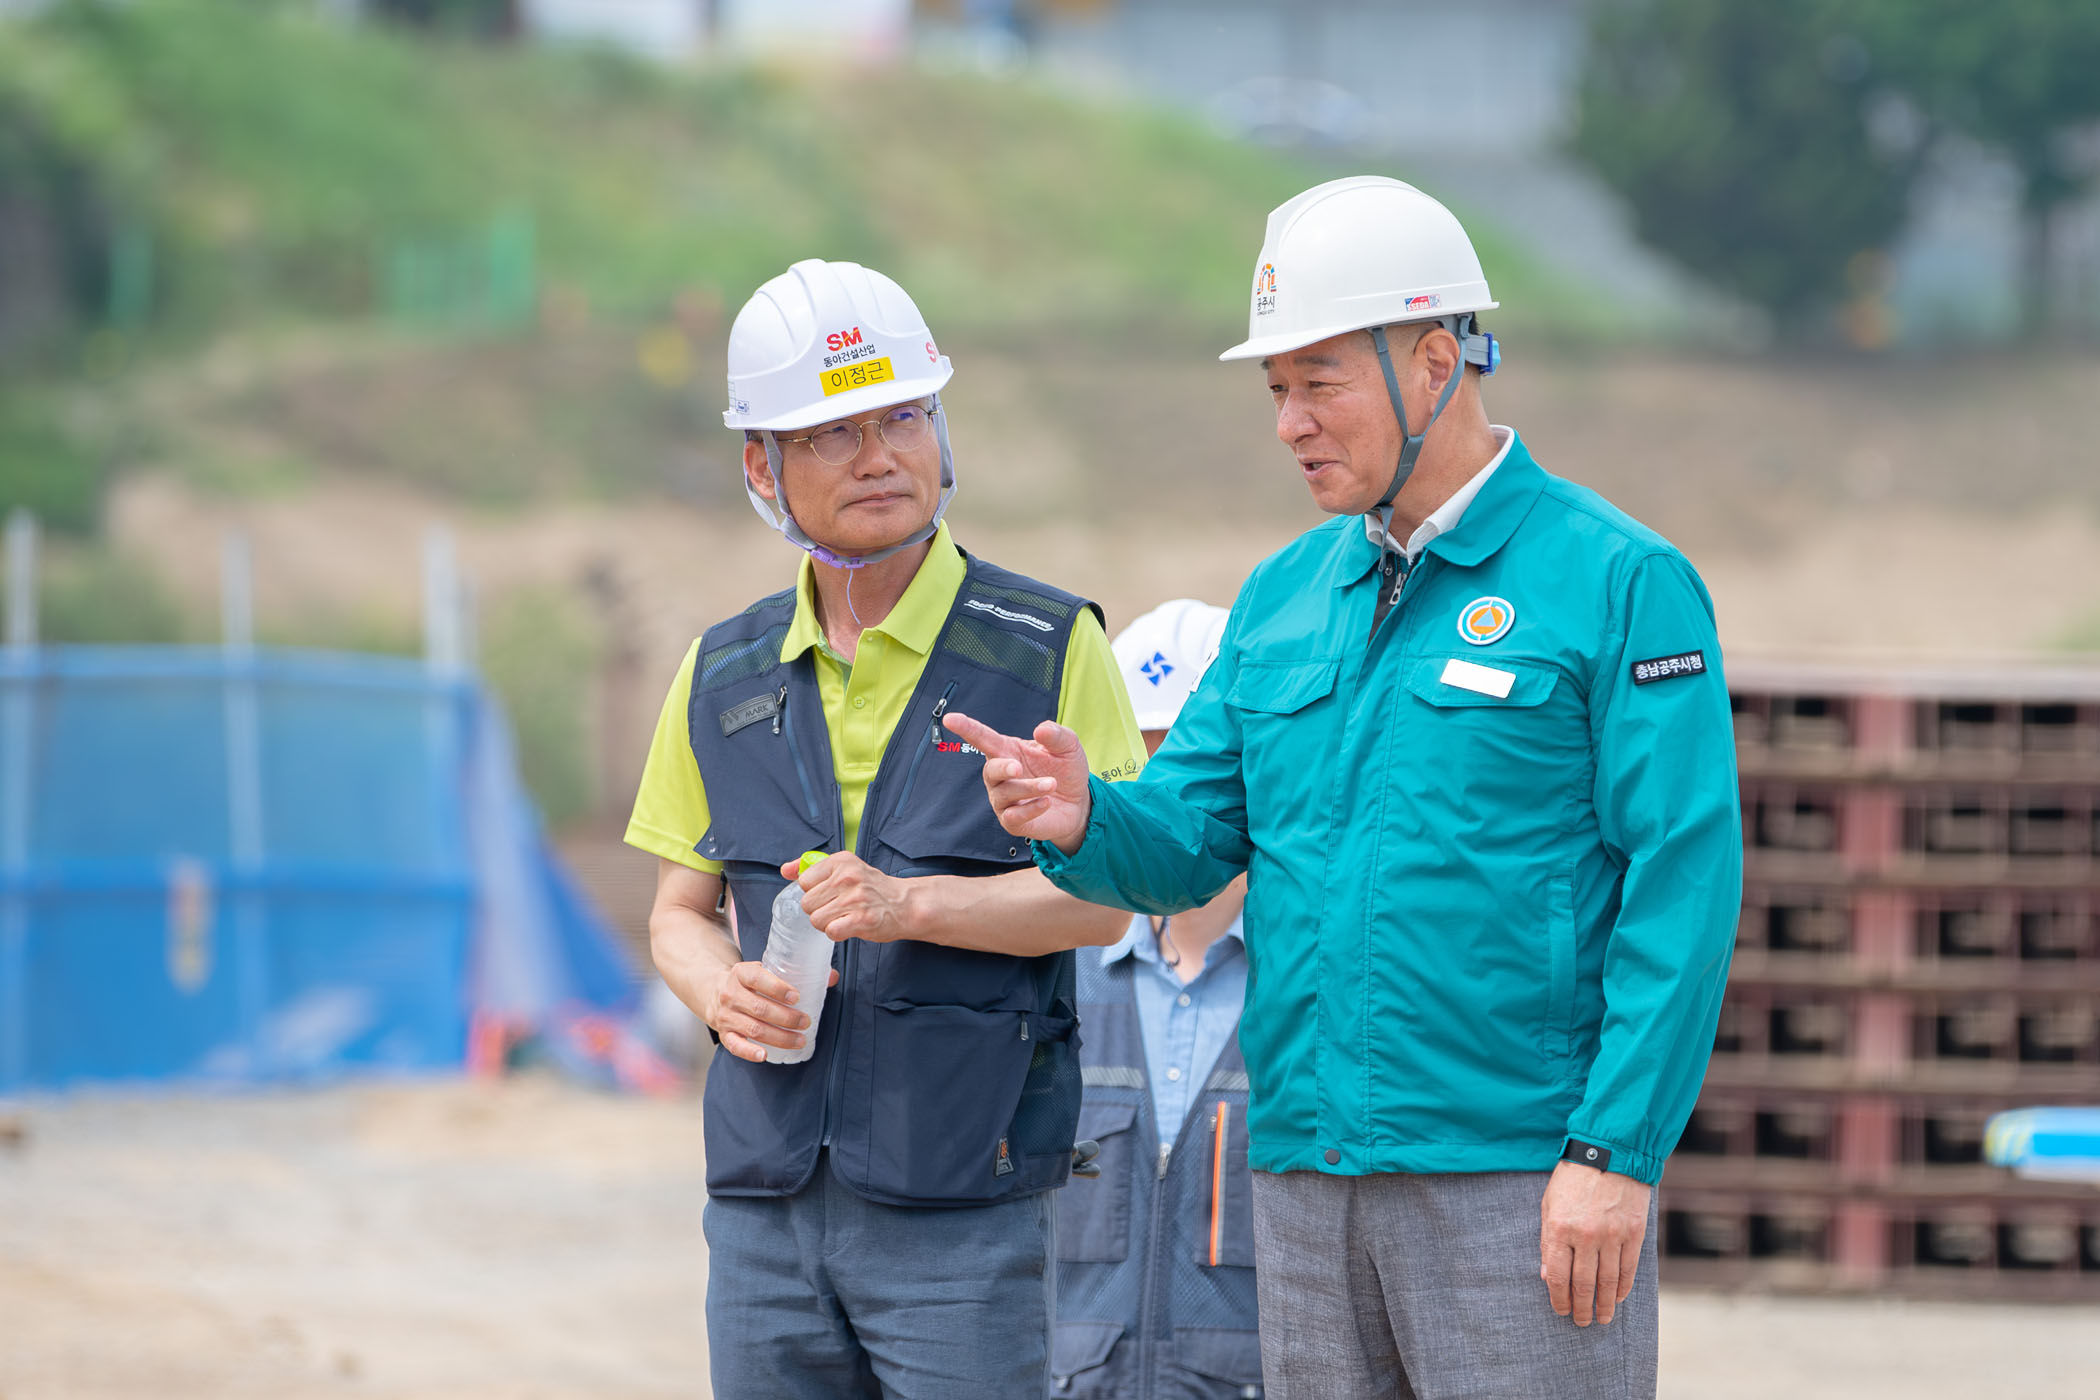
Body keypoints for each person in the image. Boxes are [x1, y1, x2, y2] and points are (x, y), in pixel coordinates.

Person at [947, 177, 1744, 1399]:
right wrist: (1086, 815)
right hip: (1308, 1172)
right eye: (1276, 389)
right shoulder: (1282, 597)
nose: (1290, 423)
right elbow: (1191, 836)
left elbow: (1683, 883)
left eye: (1320, 382)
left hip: (1520, 1172)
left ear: (1436, 363)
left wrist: (1614, 1151)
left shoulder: (1617, 580)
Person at [623, 258, 1146, 1399]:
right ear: (760, 465)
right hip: (763, 1214)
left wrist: (911, 904)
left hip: (966, 1211)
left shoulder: (1051, 647)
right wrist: (718, 990)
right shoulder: (720, 671)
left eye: (903, 417)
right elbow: (677, 913)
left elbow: (1109, 901)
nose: (878, 455)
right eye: (831, 433)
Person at [1052, 599, 1265, 1399]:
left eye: (1185, 761)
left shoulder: (1314, 988)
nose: (1158, 794)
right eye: (1133, 763)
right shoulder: (1052, 983)